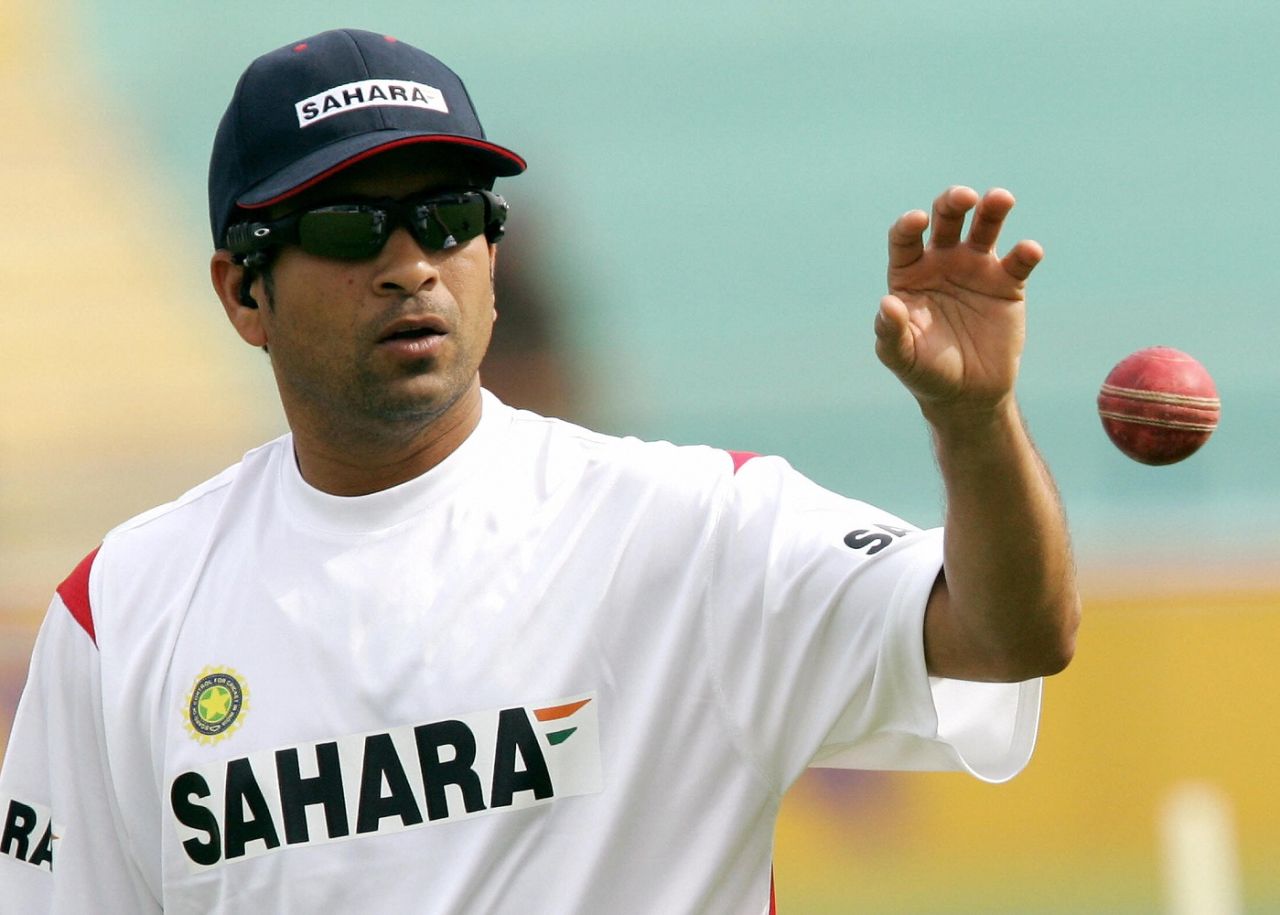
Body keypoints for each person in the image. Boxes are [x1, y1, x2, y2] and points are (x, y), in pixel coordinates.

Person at [0, 28, 1079, 914]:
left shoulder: (688, 528)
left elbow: (1008, 634)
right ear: (243, 293)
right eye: (349, 225)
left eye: (450, 214)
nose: (413, 262)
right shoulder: (121, 614)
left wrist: (972, 422)